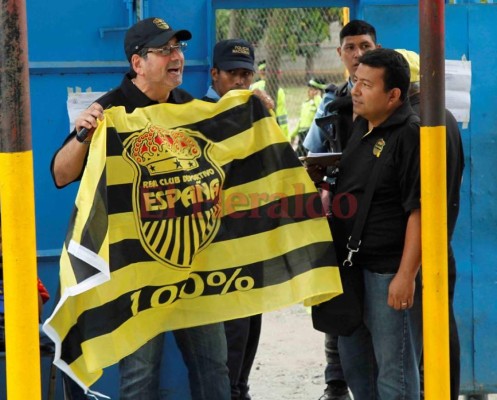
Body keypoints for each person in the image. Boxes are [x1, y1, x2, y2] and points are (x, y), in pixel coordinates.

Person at [50, 17, 230, 400]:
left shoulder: (191, 108)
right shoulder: (110, 110)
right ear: (138, 63)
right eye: (165, 51)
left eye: (178, 49)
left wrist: (254, 113)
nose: (177, 57)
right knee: (139, 376)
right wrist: (84, 135)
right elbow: (60, 174)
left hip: (195, 267)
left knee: (214, 368)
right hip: (135, 272)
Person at [332, 48, 422, 399]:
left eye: (366, 84)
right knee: (356, 367)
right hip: (352, 269)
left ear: (393, 95)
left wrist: (405, 276)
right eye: (356, 81)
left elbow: (419, 211)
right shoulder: (363, 126)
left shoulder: (410, 134)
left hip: (387, 274)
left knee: (394, 376)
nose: (355, 90)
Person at [303, 20, 380, 400]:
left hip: (381, 223)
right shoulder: (332, 103)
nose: (357, 54)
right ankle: (336, 382)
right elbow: (310, 152)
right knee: (338, 299)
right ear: (340, 54)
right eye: (350, 47)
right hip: (338, 218)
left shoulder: (392, 102)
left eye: (364, 45)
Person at [202, 38, 271, 400]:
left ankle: (240, 388)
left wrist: (267, 121)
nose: (240, 82)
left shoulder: (255, 112)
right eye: (232, 74)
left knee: (249, 323)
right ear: (214, 75)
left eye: (246, 74)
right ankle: (229, 390)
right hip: (216, 242)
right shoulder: (196, 112)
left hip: (250, 234)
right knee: (229, 330)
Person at [396, 48, 464, 400]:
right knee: (441, 329)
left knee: (415, 342)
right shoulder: (444, 117)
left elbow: (415, 200)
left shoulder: (413, 123)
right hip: (440, 246)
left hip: (416, 250)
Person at [250, 60, 289, 139]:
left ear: (260, 72)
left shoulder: (252, 87)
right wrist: (286, 136)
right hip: (273, 126)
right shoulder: (279, 90)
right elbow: (281, 115)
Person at [291, 78, 326, 157]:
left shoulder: (319, 102)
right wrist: (293, 133)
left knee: (303, 155)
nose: (309, 91)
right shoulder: (305, 104)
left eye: (312, 89)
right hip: (302, 133)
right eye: (309, 89)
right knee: (300, 154)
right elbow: (300, 121)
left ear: (317, 92)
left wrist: (317, 97)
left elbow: (321, 111)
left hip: (310, 132)